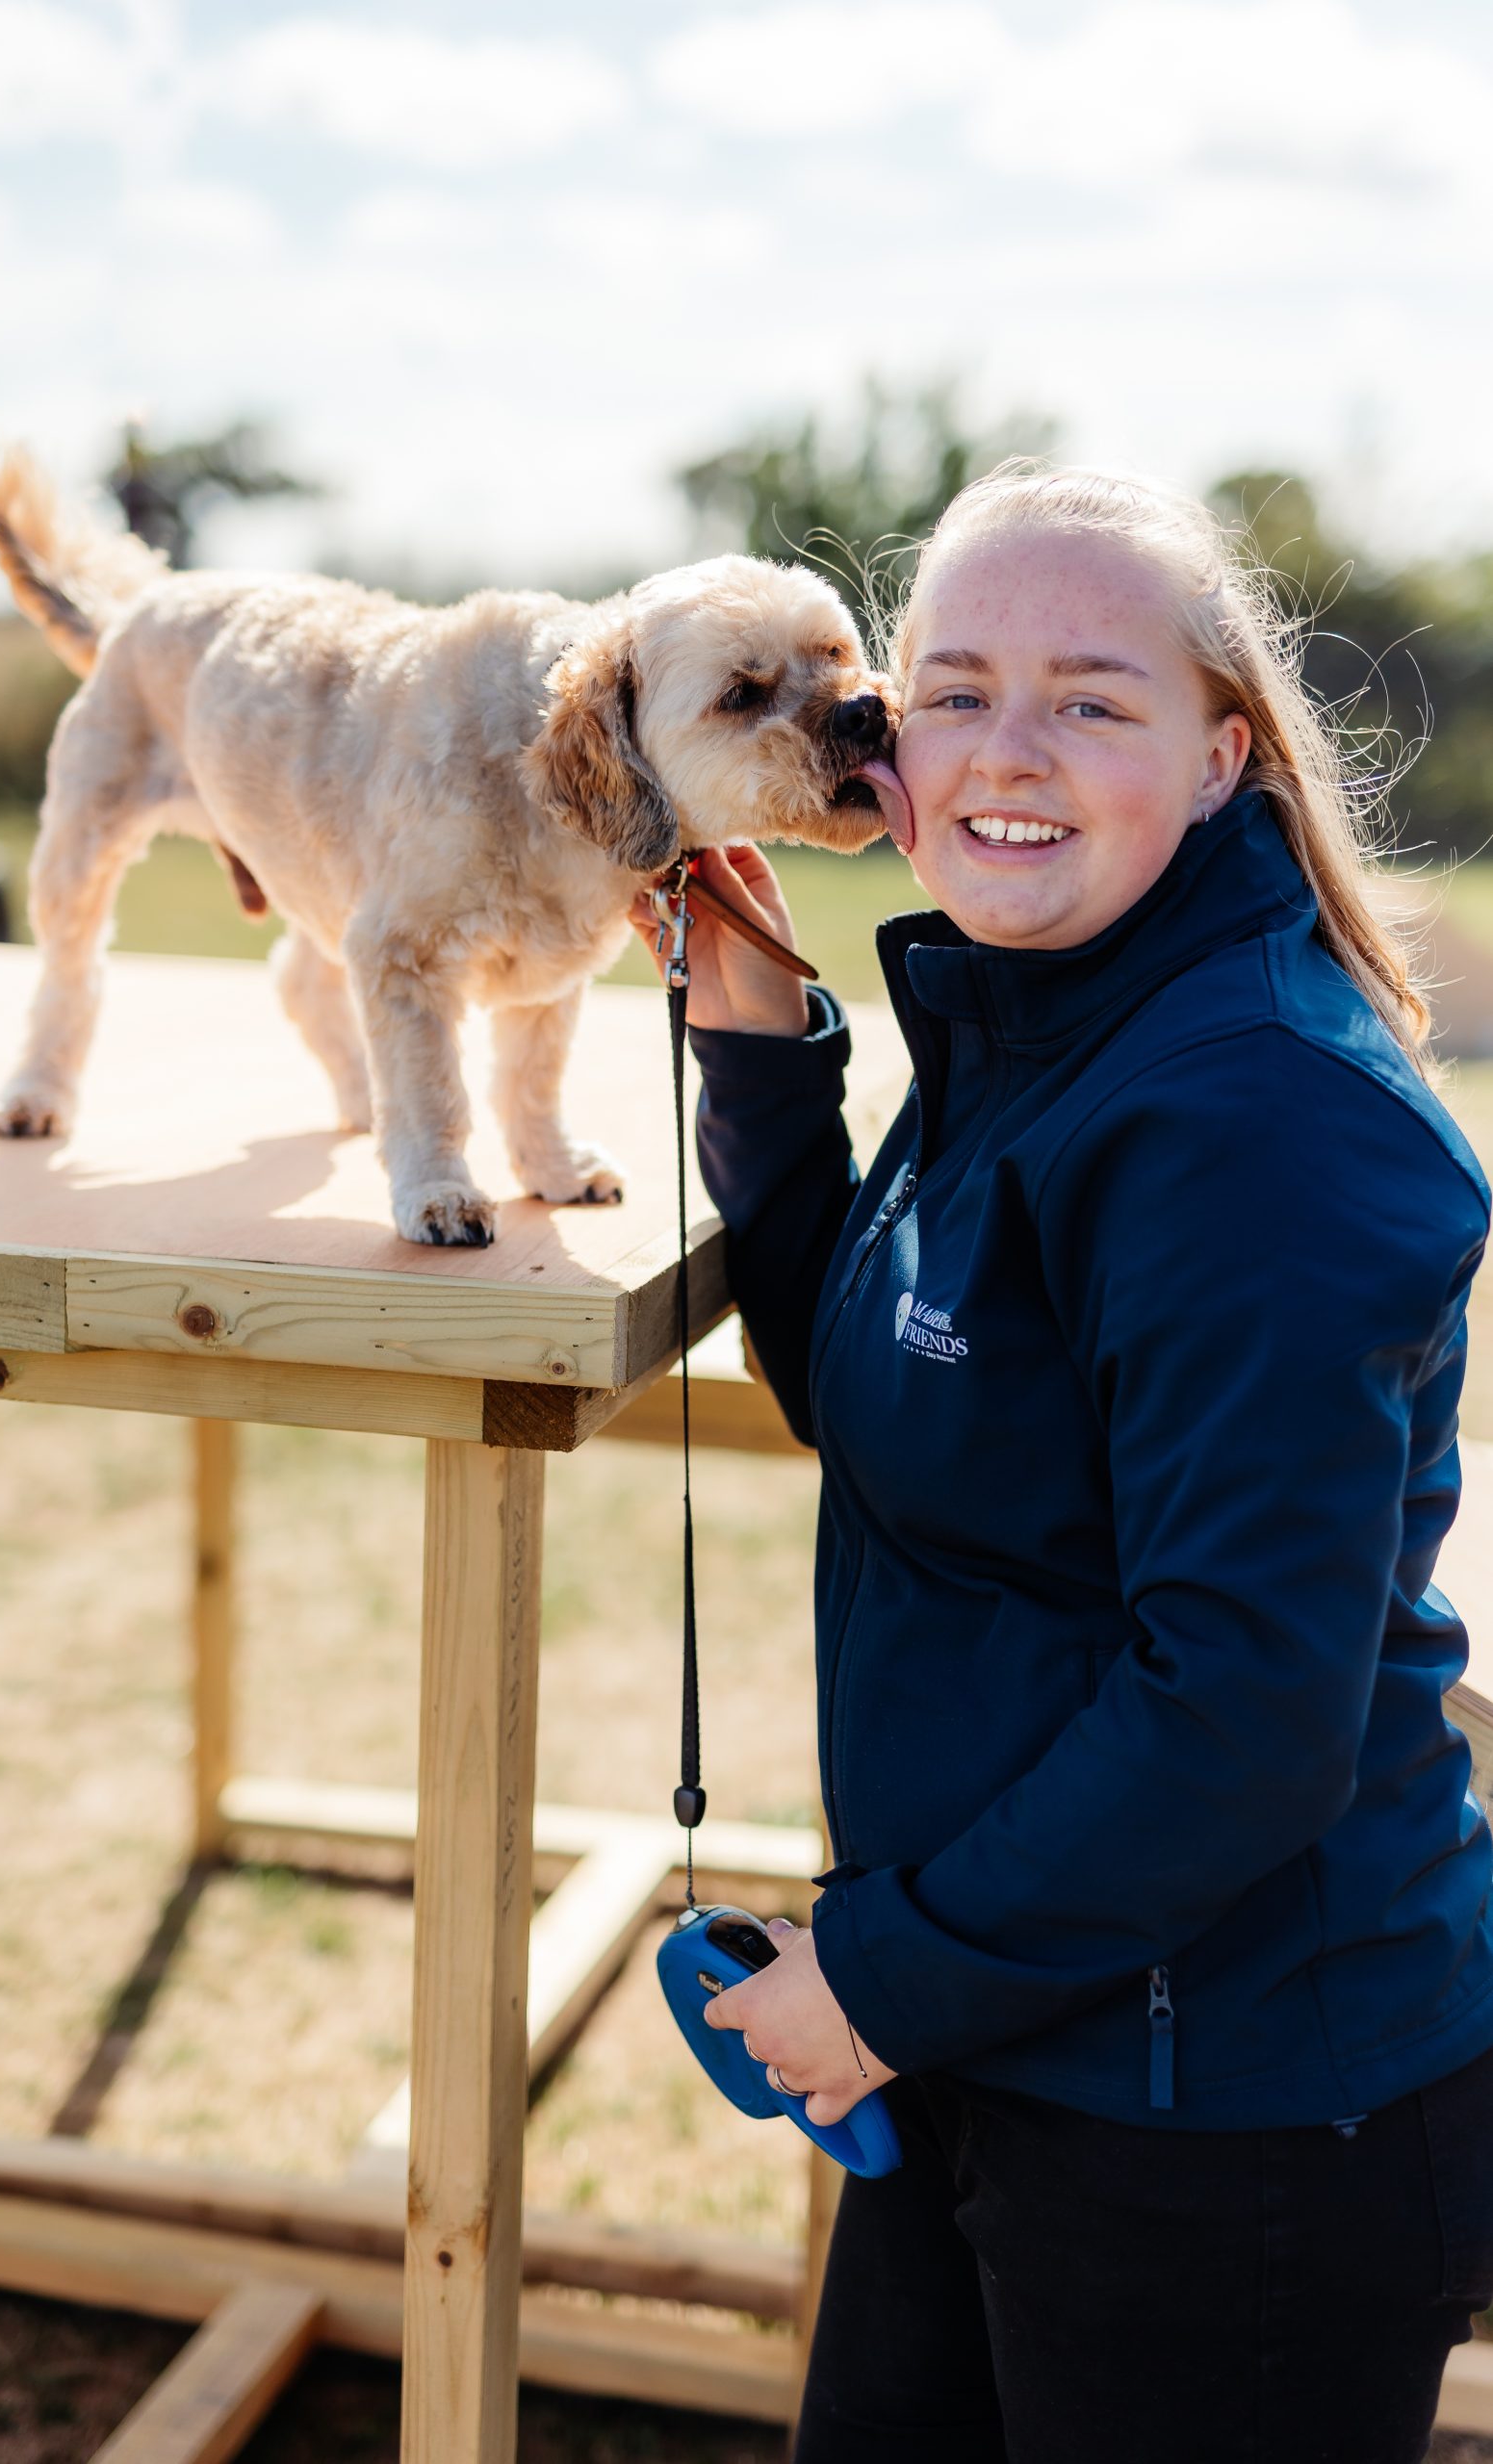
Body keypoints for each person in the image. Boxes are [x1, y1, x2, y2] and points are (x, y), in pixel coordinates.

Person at [633, 464, 1493, 2463]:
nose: (1002, 751)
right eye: (949, 690)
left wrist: (870, 1979)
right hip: (1006, 2016)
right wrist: (767, 1078)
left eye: (1088, 697)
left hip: (1234, 2110)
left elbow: (1245, 1705)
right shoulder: (1039, 1017)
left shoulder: (1248, 1122)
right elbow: (922, 1404)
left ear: (1218, 756)